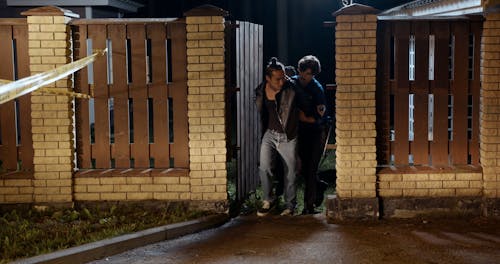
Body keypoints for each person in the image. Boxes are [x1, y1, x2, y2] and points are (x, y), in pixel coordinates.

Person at [255, 57, 305, 217]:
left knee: (290, 172)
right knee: (264, 167)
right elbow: (259, 107)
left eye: (283, 77)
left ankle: (290, 206)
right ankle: (269, 200)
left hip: (288, 135)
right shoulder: (261, 90)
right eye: (278, 79)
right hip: (269, 134)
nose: (281, 81)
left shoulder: (291, 88)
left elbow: (305, 102)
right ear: (268, 78)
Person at [292, 55, 329, 215]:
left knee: (311, 168)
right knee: (303, 169)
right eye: (302, 72)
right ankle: (319, 185)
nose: (303, 76)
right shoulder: (292, 82)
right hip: (298, 132)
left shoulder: (317, 90)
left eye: (307, 74)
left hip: (315, 132)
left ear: (313, 74)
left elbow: (318, 116)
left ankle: (309, 206)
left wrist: (303, 117)